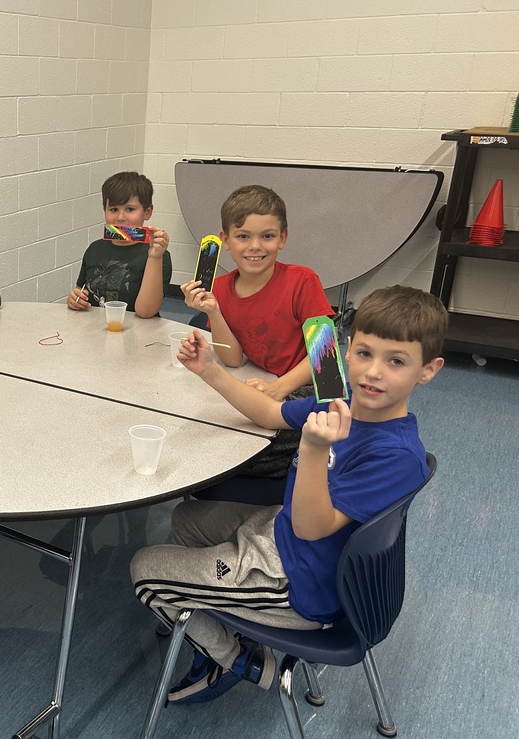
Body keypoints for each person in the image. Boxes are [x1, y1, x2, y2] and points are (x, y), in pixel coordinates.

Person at [130, 285, 446, 705]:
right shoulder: (342, 398)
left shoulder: (396, 456)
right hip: (283, 535)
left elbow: (311, 528)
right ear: (347, 351)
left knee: (144, 567)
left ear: (428, 370)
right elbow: (269, 412)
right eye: (366, 354)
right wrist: (210, 370)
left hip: (299, 583)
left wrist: (313, 450)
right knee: (185, 519)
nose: (374, 372)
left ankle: (237, 658)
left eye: (397, 362)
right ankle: (209, 609)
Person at [181, 185, 334, 480]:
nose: (255, 246)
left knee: (243, 444)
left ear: (283, 238)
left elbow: (327, 366)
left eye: (267, 236)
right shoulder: (222, 288)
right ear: (225, 240)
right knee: (219, 430)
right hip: (268, 385)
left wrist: (279, 389)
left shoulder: (302, 281)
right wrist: (213, 311)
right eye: (243, 236)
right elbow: (234, 360)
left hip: (311, 391)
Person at [67, 171, 172, 318]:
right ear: (105, 211)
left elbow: (146, 312)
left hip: (138, 332)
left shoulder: (159, 256)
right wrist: (74, 299)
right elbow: (81, 289)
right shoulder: (95, 249)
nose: (120, 217)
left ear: (147, 212)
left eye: (130, 209)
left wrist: (154, 256)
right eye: (114, 209)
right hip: (94, 330)